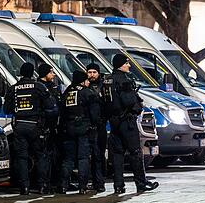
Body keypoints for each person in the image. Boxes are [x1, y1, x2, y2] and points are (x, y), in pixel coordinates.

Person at [104, 54, 158, 194]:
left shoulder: (107, 80)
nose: (129, 65)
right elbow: (129, 102)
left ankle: (118, 185)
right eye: (127, 63)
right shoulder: (124, 80)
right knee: (135, 152)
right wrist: (137, 106)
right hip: (127, 122)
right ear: (120, 64)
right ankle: (141, 183)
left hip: (114, 121)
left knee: (117, 154)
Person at [4, 62, 58, 195]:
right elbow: (50, 105)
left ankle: (24, 187)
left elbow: (7, 109)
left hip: (19, 126)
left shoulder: (14, 88)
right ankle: (41, 186)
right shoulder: (39, 87)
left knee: (21, 157)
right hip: (35, 126)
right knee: (41, 156)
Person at [59, 70, 101, 194]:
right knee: (83, 158)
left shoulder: (67, 92)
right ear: (82, 81)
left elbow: (62, 111)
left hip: (68, 128)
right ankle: (82, 186)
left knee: (68, 159)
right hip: (84, 128)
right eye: (87, 80)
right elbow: (95, 113)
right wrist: (95, 124)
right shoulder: (87, 93)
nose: (88, 82)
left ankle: (63, 185)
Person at [37, 63, 63, 192]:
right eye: (51, 72)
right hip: (44, 126)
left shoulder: (53, 86)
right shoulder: (39, 87)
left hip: (54, 126)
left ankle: (54, 181)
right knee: (44, 156)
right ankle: (44, 184)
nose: (53, 75)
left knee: (54, 155)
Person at [87, 63, 107, 192]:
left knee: (99, 154)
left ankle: (100, 182)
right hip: (88, 125)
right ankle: (94, 181)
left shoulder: (103, 86)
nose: (92, 75)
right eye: (90, 72)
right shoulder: (84, 86)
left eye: (94, 72)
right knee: (91, 155)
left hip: (100, 125)